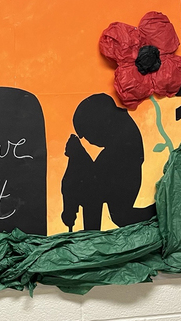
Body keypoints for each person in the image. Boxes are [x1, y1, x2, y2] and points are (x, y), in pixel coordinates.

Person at [61, 93, 155, 231]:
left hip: (125, 172)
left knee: (119, 214)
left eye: (88, 135)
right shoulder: (120, 138)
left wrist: (78, 155)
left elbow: (92, 184)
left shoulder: (123, 142)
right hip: (122, 170)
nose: (89, 141)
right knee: (119, 214)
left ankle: (158, 211)